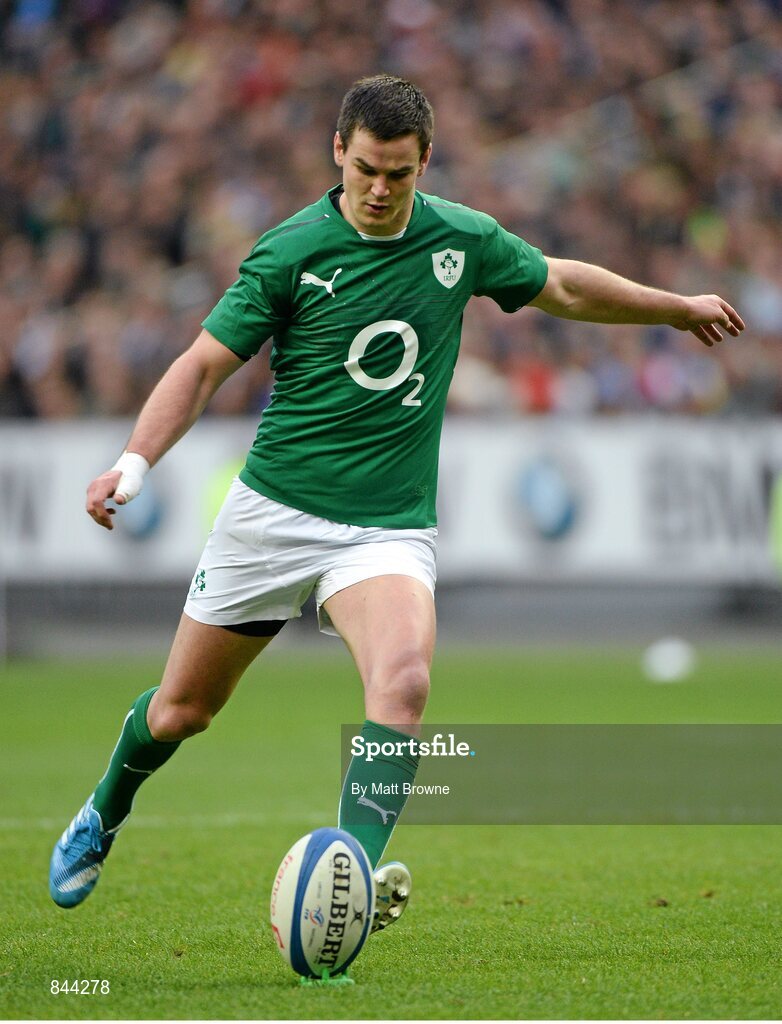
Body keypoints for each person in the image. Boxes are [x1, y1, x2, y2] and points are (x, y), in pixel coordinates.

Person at [49, 74, 744, 929]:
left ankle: (348, 881)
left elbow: (561, 285)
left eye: (401, 175)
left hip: (383, 528)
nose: (381, 191)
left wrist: (674, 310)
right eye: (368, 169)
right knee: (181, 710)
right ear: (338, 151)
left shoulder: (461, 239)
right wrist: (135, 461)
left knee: (404, 684)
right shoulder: (289, 250)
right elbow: (200, 367)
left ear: (426, 164)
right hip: (272, 515)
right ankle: (104, 811)